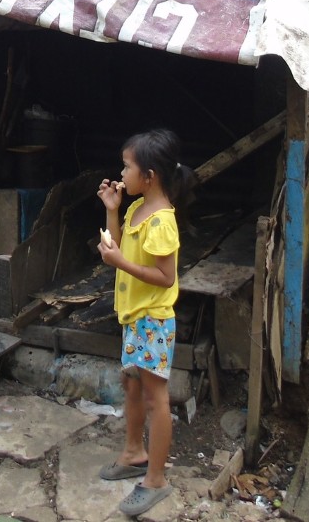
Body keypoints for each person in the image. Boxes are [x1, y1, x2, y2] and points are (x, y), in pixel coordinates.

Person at [96, 128, 193, 518]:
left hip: (153, 321)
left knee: (156, 399)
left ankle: (156, 479)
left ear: (149, 176)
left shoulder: (162, 221)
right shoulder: (136, 208)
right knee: (132, 385)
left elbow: (166, 277)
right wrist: (112, 209)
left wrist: (119, 262)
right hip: (134, 317)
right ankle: (134, 452)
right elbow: (119, 245)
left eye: (127, 167)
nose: (121, 173)